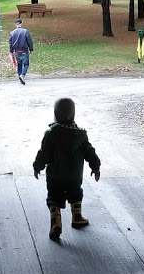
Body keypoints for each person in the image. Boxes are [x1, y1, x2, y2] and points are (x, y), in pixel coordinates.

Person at [33, 98, 101, 240]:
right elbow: (90, 152)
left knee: (54, 198)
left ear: (55, 114)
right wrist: (95, 166)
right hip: (74, 176)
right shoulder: (81, 135)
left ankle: (55, 222)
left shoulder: (51, 133)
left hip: (55, 176)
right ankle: (77, 217)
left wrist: (37, 166)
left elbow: (43, 153)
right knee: (76, 195)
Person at [8, 19, 33, 85]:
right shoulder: (25, 31)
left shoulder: (12, 33)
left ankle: (20, 77)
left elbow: (10, 43)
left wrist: (11, 51)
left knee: (19, 64)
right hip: (24, 50)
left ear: (15, 24)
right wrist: (31, 49)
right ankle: (22, 75)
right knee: (26, 64)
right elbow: (29, 41)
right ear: (21, 23)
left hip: (17, 51)